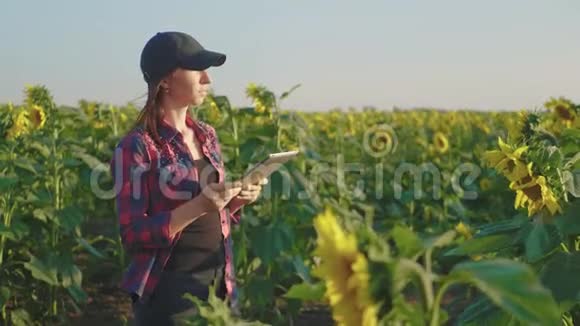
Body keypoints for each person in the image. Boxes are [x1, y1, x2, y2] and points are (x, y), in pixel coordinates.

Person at [109, 31, 267, 325]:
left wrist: (235, 200)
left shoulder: (206, 134)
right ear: (166, 80)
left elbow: (214, 211)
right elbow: (132, 234)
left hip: (219, 281)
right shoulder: (136, 146)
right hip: (170, 292)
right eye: (197, 70)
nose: (207, 80)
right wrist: (197, 207)